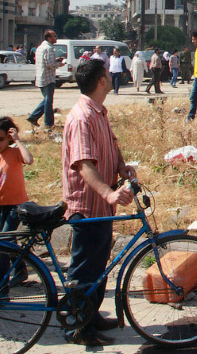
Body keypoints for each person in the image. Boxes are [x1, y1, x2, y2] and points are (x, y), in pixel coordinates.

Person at [61, 59, 137, 346]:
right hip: (88, 205)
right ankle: (78, 326)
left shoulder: (99, 112)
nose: (112, 74)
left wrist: (121, 165)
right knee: (85, 269)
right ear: (102, 81)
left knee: (99, 265)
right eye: (108, 72)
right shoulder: (82, 117)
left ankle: (91, 315)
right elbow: (82, 164)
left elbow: (110, 145)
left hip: (102, 206)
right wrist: (108, 193)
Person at [0, 117, 33, 289]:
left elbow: (29, 159)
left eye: (1, 139)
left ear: (9, 137)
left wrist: (18, 140)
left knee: (2, 244)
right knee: (8, 241)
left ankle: (1, 286)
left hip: (17, 206)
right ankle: (20, 270)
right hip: (1, 206)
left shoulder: (14, 153)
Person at [26, 30, 62, 129]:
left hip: (41, 76)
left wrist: (55, 60)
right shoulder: (48, 48)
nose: (56, 38)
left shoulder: (40, 47)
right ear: (49, 38)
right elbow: (50, 64)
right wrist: (59, 64)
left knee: (46, 100)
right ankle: (48, 123)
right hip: (48, 77)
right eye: (54, 36)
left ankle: (33, 117)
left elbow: (45, 61)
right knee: (48, 101)